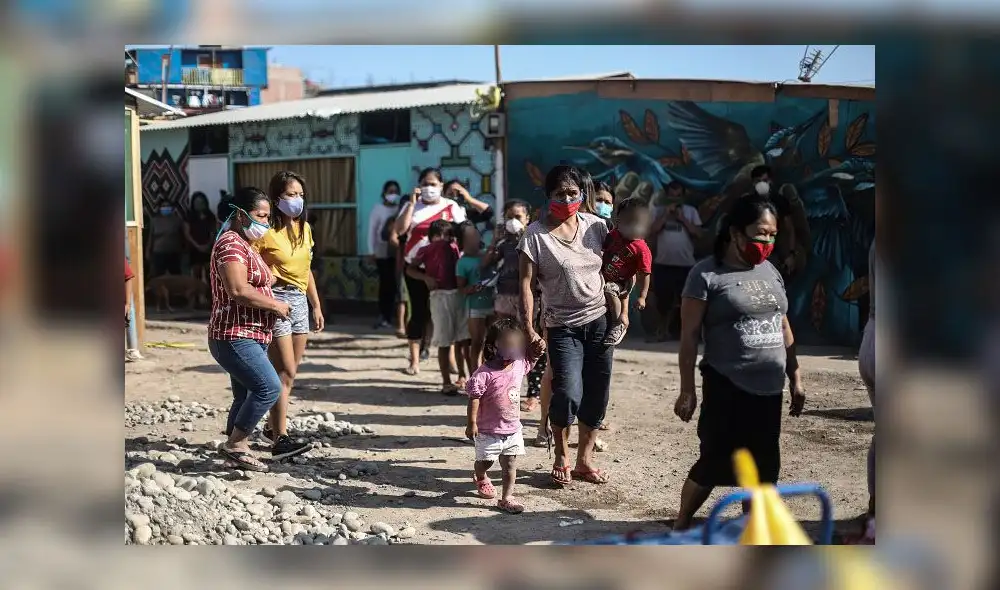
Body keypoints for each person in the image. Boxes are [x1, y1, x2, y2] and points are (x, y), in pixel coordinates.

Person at [671, 193, 806, 530]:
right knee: (715, 462)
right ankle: (682, 521)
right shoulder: (705, 275)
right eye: (761, 233)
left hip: (769, 388)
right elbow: (689, 337)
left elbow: (783, 323)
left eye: (773, 234)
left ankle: (753, 529)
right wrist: (687, 389)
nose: (767, 241)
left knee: (763, 466)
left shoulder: (770, 271)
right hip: (727, 383)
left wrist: (796, 375)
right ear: (735, 232)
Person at [519, 164, 614, 486]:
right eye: (561, 193)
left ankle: (584, 462)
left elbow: (623, 263)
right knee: (569, 393)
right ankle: (560, 452)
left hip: (600, 322)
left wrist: (625, 308)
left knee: (597, 395)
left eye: (574, 193)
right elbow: (526, 285)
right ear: (548, 196)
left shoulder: (596, 227)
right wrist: (530, 329)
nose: (568, 198)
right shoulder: (534, 236)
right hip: (562, 327)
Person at [208, 187, 294, 472]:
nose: (265, 224)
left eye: (268, 217)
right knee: (269, 387)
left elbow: (255, 282)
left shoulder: (245, 245)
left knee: (244, 394)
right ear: (240, 213)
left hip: (251, 334)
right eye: (261, 216)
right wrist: (274, 306)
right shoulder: (230, 245)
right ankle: (237, 444)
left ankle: (233, 449)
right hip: (234, 334)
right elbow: (237, 290)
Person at [253, 170, 323, 460]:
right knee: (285, 371)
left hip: (300, 301)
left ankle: (273, 427)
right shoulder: (266, 230)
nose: (297, 200)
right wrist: (264, 272)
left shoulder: (304, 229)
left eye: (300, 195)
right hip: (276, 300)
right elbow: (249, 258)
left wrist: (316, 305)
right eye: (290, 195)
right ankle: (280, 437)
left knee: (290, 375)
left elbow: (306, 272)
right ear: (276, 197)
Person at [465, 317, 546, 514]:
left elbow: (531, 360)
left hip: (512, 429)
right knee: (486, 461)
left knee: (510, 464)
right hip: (489, 430)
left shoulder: (519, 365)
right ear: (493, 347)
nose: (514, 349)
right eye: (508, 344)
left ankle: (506, 498)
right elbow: (474, 398)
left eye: (517, 344)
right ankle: (480, 475)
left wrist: (537, 350)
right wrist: (471, 423)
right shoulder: (483, 374)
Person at [395, 168, 468, 375]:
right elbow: (400, 230)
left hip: (446, 270)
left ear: (441, 186)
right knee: (418, 312)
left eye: (433, 184)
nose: (429, 188)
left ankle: (452, 360)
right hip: (416, 268)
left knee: (448, 313)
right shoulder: (412, 207)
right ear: (419, 186)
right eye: (425, 184)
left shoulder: (451, 206)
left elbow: (463, 232)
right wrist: (410, 203)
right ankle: (414, 361)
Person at [407, 219, 470, 394]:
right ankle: (446, 382)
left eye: (446, 235)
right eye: (438, 235)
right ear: (432, 236)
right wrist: (426, 278)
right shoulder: (425, 250)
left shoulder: (455, 248)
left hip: (458, 295)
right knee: (444, 340)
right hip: (439, 296)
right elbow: (410, 269)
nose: (442, 239)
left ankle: (463, 376)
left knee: (462, 339)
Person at [649, 181, 703, 341]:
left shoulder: (691, 211)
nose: (675, 199)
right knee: (662, 300)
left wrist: (683, 219)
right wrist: (666, 215)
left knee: (685, 301)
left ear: (683, 196)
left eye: (678, 196)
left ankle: (684, 333)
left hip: (686, 264)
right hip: (663, 263)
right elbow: (652, 230)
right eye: (672, 196)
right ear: (667, 196)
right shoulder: (658, 211)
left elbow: (699, 234)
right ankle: (661, 331)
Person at [600, 197, 653, 346]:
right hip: (607, 275)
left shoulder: (641, 249)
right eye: (628, 221)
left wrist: (642, 296)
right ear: (618, 220)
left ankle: (619, 323)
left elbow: (645, 274)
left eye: (637, 222)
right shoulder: (613, 235)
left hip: (624, 281)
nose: (633, 226)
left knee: (610, 290)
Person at [750, 165, 810, 282]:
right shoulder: (748, 203)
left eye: (765, 180)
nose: (762, 184)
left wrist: (791, 254)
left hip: (778, 245)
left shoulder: (779, 201)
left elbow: (789, 228)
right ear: (753, 183)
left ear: (770, 181)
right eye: (758, 181)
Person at [482, 200, 530, 320]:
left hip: (526, 296)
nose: (513, 221)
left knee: (524, 332)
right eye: (509, 217)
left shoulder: (532, 241)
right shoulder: (504, 244)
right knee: (504, 330)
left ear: (527, 219)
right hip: (504, 294)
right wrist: (494, 241)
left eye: (518, 217)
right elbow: (485, 263)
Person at [455, 221, 494, 370]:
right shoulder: (462, 263)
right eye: (470, 236)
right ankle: (475, 378)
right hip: (475, 307)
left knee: (492, 342)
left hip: (492, 304)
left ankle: (490, 377)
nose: (475, 239)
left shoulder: (488, 255)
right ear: (462, 241)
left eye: (476, 235)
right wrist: (472, 288)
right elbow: (461, 289)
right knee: (476, 342)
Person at [368, 180, 403, 330]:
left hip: (397, 250)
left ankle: (397, 318)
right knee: (386, 284)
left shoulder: (400, 209)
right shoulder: (378, 209)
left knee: (397, 286)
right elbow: (372, 231)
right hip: (382, 251)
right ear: (384, 193)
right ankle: (384, 316)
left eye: (395, 191)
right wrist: (371, 251)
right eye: (390, 191)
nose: (393, 194)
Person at [183, 191, 219, 283]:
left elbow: (213, 232)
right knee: (196, 272)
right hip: (194, 248)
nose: (199, 204)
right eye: (197, 202)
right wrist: (197, 246)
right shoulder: (189, 217)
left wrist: (208, 244)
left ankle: (208, 294)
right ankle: (197, 295)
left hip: (208, 247)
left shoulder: (210, 216)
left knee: (209, 272)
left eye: (201, 202)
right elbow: (187, 234)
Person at [148, 202, 184, 277]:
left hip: (174, 252)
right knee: (158, 275)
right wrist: (147, 250)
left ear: (172, 208)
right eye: (164, 206)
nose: (166, 208)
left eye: (168, 206)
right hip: (158, 252)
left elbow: (182, 236)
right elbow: (151, 237)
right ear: (160, 208)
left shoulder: (178, 220)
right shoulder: (155, 220)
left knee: (175, 276)